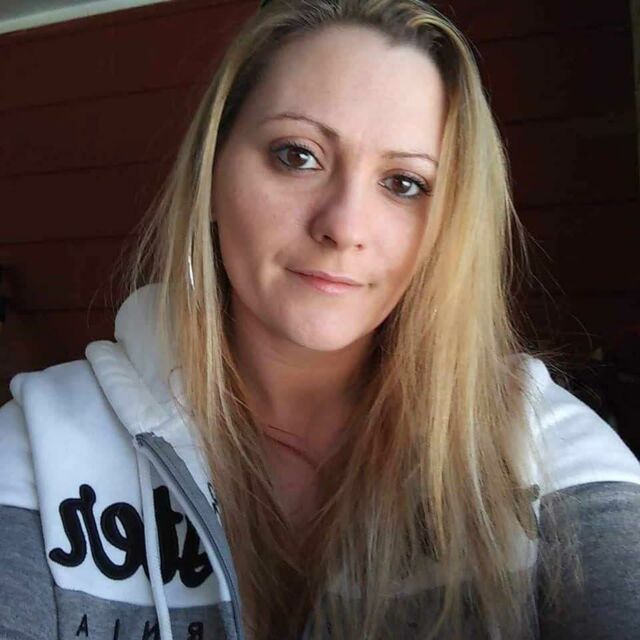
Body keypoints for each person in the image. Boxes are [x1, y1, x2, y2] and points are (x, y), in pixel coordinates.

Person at [1, 0, 639, 638]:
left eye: (405, 183)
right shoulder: (42, 447)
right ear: (212, 174)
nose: (343, 226)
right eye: (297, 155)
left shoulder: (537, 447)